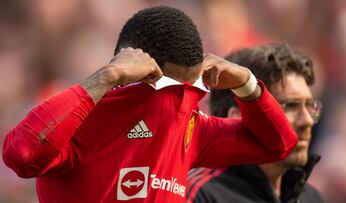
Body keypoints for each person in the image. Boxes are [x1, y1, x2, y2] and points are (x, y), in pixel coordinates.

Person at [2, 7, 297, 203]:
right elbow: (21, 154)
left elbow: (278, 145)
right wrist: (105, 77)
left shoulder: (189, 124)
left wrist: (246, 83)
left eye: (192, 86)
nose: (183, 97)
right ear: (129, 65)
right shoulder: (81, 120)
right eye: (169, 87)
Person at [186, 44, 325, 203]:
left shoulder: (311, 198)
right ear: (237, 118)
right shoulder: (199, 195)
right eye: (291, 106)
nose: (307, 121)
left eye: (310, 106)